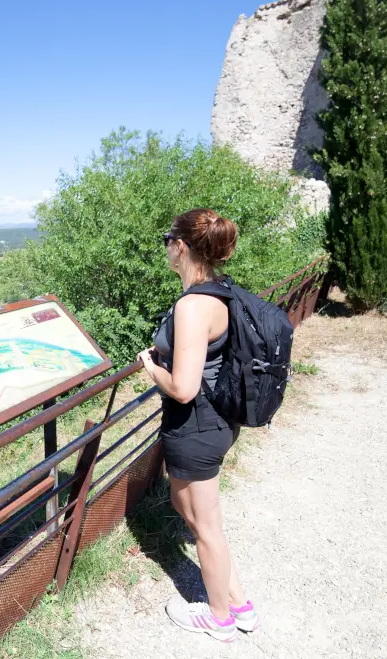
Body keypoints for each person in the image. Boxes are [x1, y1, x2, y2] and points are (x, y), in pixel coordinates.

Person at [136, 208, 259, 643]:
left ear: (181, 246)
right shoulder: (219, 292)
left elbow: (184, 388)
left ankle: (221, 619)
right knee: (192, 512)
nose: (166, 248)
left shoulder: (192, 306)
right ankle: (240, 605)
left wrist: (151, 367)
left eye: (166, 241)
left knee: (205, 526)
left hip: (196, 425)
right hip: (215, 421)